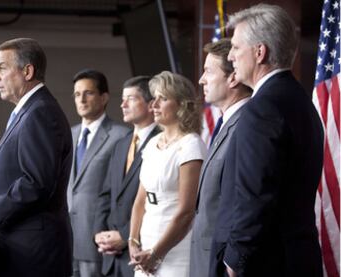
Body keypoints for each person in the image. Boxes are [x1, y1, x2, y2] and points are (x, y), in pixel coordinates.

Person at [210, 4, 324, 277]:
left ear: (260, 52)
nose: (232, 57)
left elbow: (255, 193)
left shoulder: (263, 108)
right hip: (295, 258)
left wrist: (235, 261)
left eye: (236, 48)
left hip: (264, 263)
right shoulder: (300, 100)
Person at [0, 38, 73, 277]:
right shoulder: (30, 111)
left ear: (27, 71)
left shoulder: (41, 113)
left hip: (33, 253)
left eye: (1, 68)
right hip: (20, 247)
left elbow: (36, 184)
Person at [128, 71, 206, 277]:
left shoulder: (191, 146)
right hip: (146, 244)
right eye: (154, 98)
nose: (153, 105)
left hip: (176, 249)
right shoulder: (153, 143)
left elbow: (186, 212)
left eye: (162, 99)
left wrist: (156, 254)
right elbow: (140, 200)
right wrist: (133, 241)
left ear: (181, 104)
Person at [189, 38, 252, 277]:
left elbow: (244, 200)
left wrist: (232, 261)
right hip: (205, 256)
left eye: (207, 71)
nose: (201, 80)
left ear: (233, 77)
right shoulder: (226, 123)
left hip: (222, 264)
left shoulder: (246, 124)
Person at [93, 76, 160, 277]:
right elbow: (105, 194)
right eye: (123, 99)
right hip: (110, 258)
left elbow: (155, 201)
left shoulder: (162, 143)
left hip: (139, 253)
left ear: (150, 104)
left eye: (130, 98)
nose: (122, 104)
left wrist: (124, 235)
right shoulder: (121, 144)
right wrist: (100, 234)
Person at [67, 69, 130, 277]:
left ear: (104, 97)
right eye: (77, 94)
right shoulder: (69, 134)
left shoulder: (121, 136)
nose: (81, 99)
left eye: (88, 93)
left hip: (97, 240)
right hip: (65, 238)